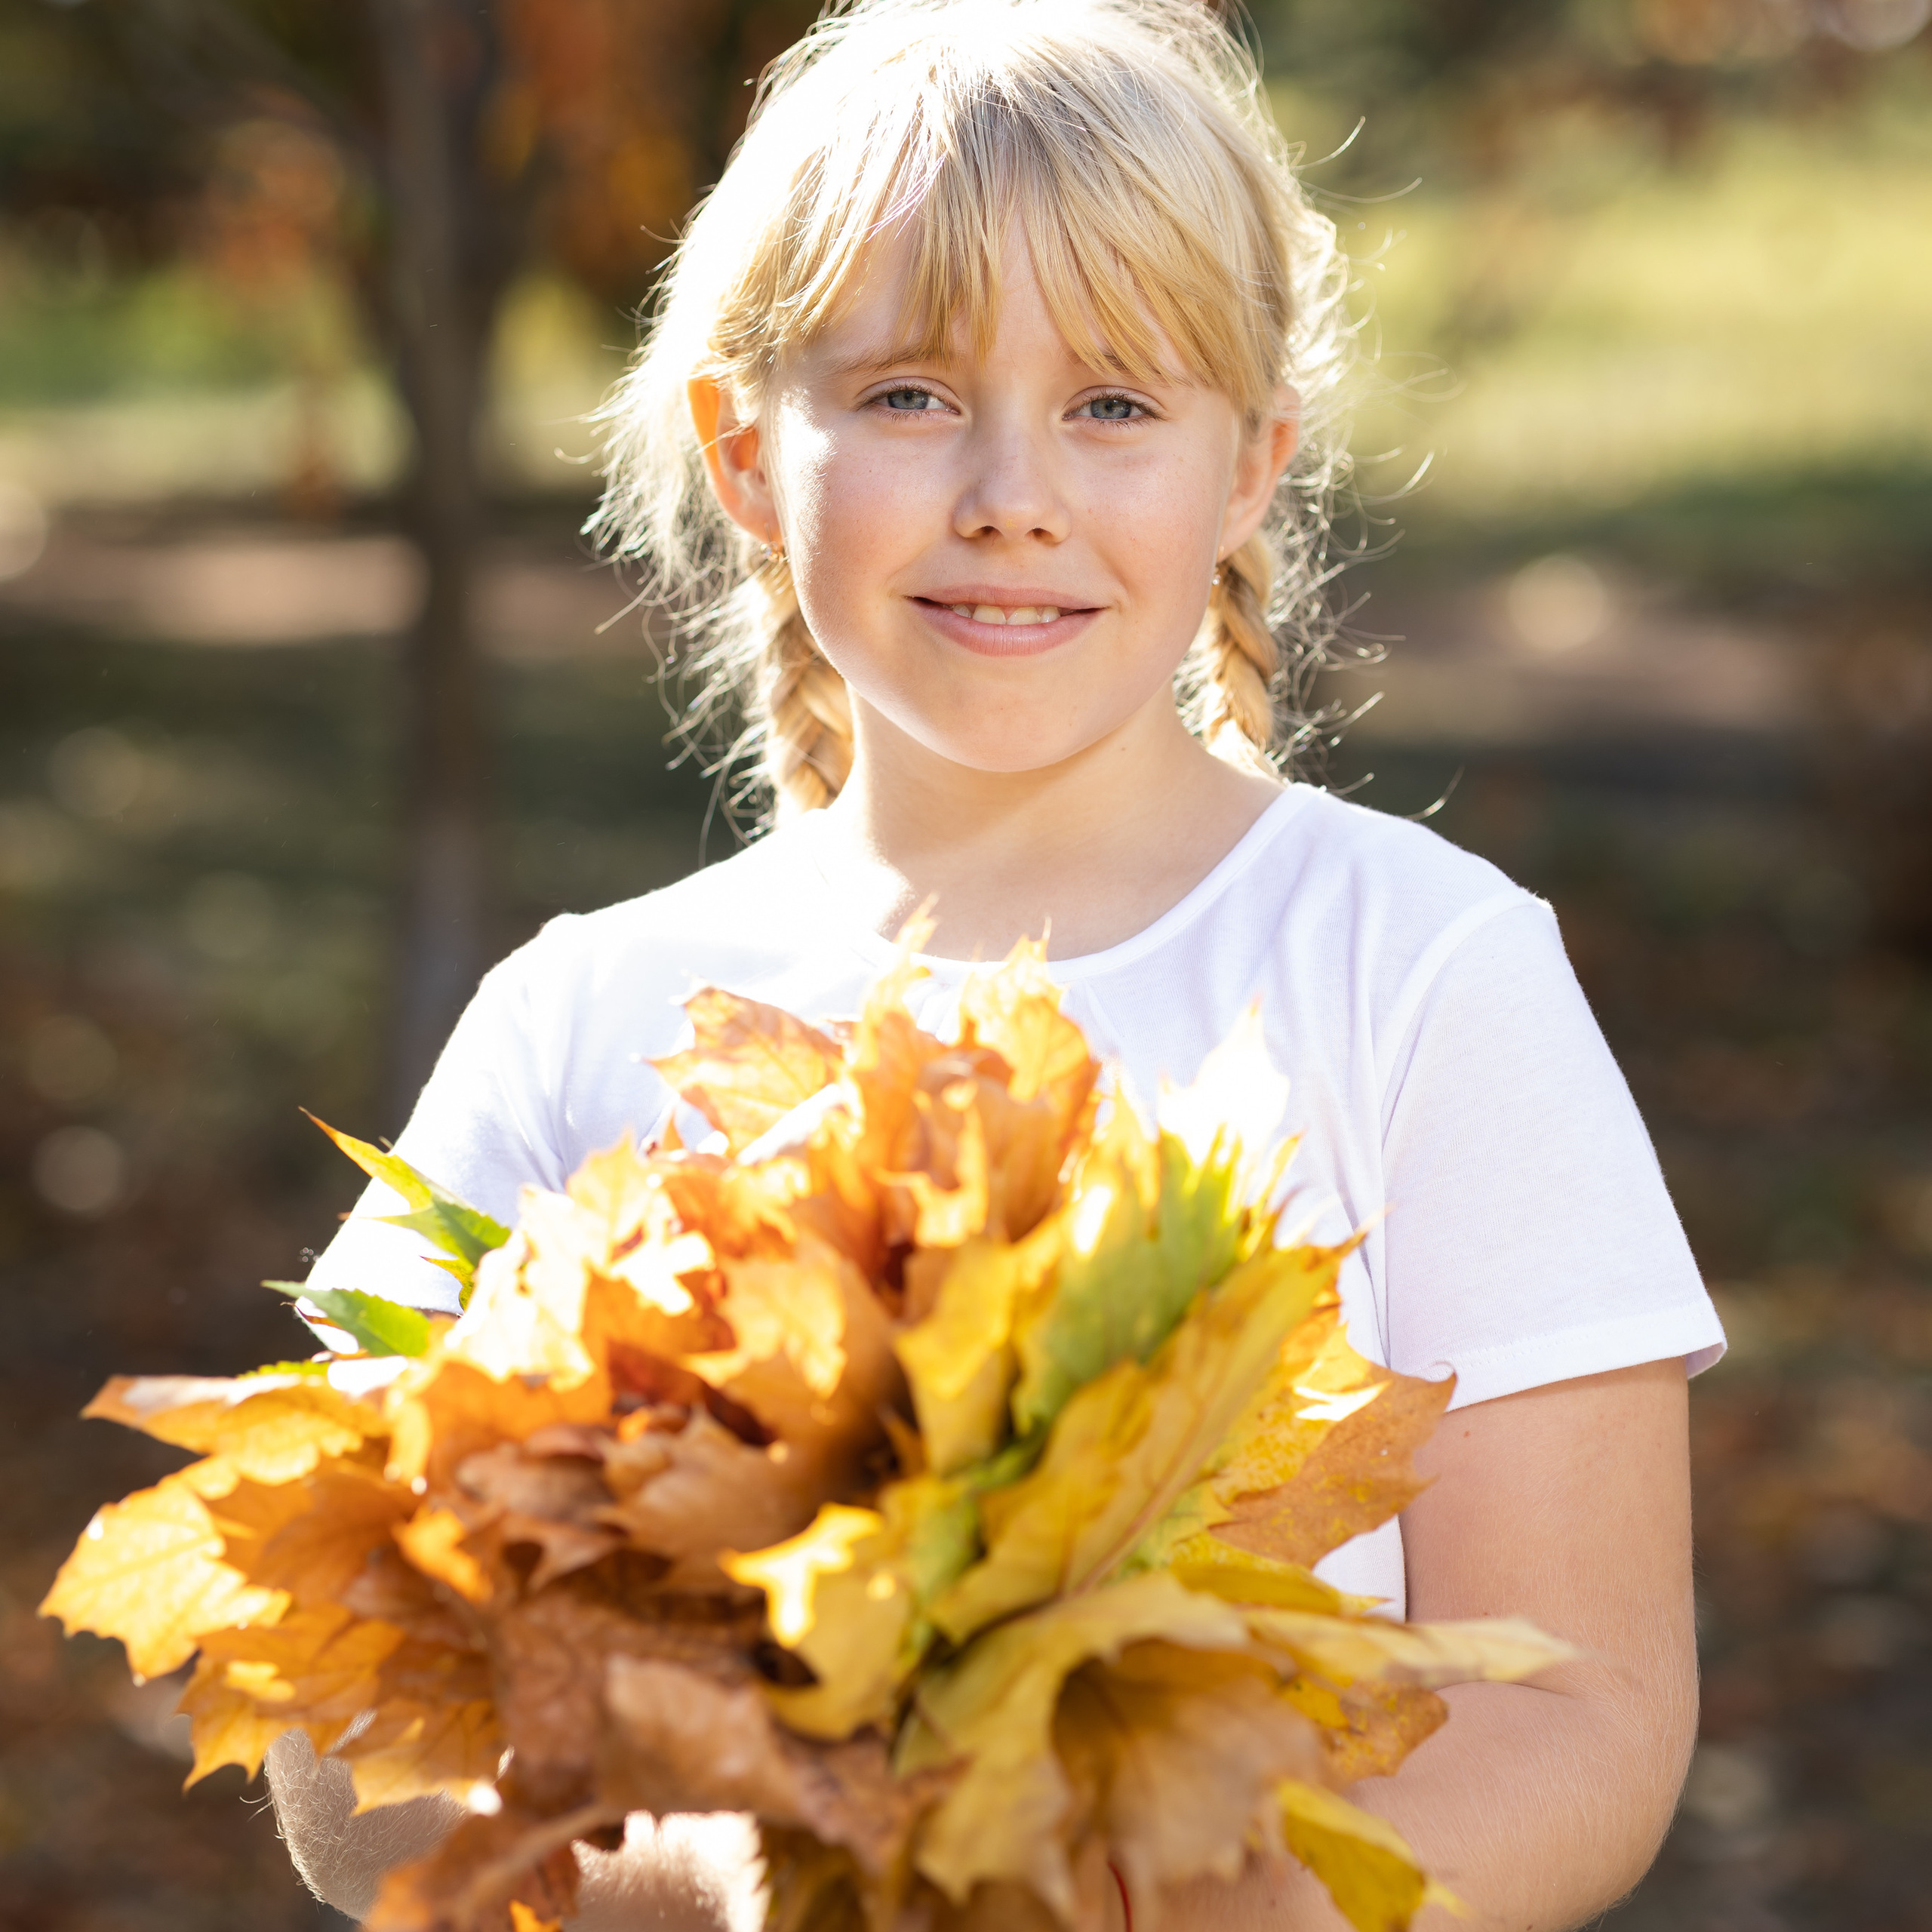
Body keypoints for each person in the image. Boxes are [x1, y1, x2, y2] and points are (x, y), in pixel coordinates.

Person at [269, 0, 1724, 1924]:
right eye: (907, 395)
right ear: (738, 449)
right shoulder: (578, 1016)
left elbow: (1586, 1706)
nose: (1009, 492)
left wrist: (1204, 1904)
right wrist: (727, 1873)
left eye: (1114, 403)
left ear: (1248, 467)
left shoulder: (1420, 972)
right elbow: (352, 1711)